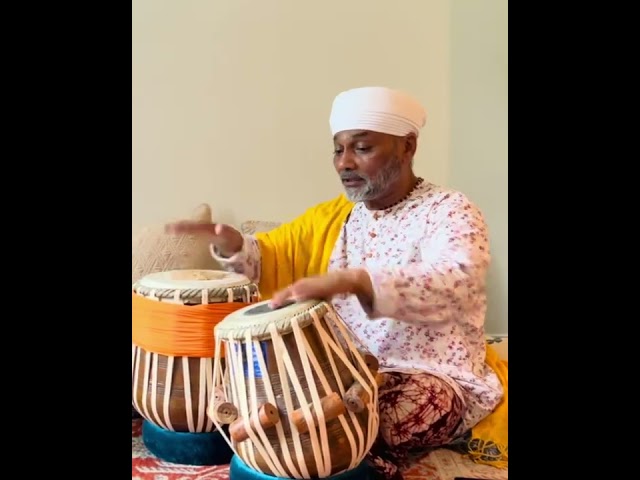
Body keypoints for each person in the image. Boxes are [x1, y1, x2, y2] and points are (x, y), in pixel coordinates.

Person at [166, 86, 508, 480]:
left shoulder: (450, 209)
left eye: (361, 148)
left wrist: (357, 281)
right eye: (338, 149)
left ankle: (325, 448)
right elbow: (275, 254)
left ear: (408, 146)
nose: (344, 163)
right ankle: (328, 446)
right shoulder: (341, 216)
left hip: (429, 374)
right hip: (344, 369)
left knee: (400, 407)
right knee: (246, 387)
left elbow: (458, 284)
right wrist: (234, 246)